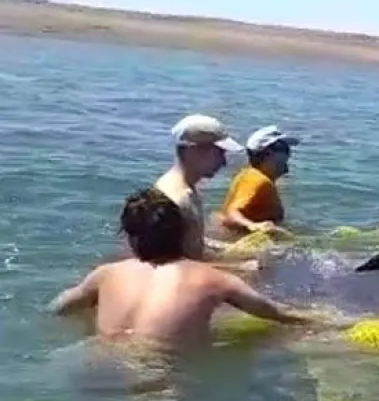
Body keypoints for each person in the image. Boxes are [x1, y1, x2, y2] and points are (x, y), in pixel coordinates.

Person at [48, 187, 317, 349]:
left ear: (130, 238)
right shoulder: (216, 280)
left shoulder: (104, 274)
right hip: (162, 372)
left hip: (97, 360)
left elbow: (59, 307)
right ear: (182, 234)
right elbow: (280, 314)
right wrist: (331, 321)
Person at [154, 113, 243, 259]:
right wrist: (241, 267)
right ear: (194, 150)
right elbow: (166, 263)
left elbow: (190, 242)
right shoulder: (174, 200)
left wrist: (228, 248)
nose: (224, 162)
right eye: (219, 153)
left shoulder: (187, 190)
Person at [217, 125, 299, 237]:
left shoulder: (248, 174)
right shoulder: (258, 180)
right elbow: (232, 213)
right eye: (282, 163)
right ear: (269, 153)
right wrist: (252, 226)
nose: (286, 170)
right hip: (239, 240)